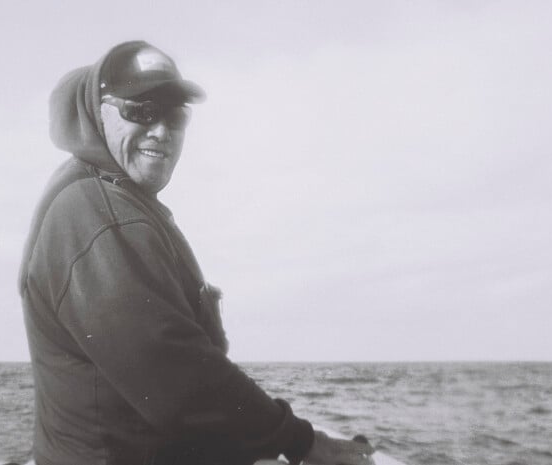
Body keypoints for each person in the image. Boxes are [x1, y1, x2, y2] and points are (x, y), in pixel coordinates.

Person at [19, 41, 374, 465]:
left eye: (174, 115)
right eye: (141, 110)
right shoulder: (97, 215)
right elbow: (176, 376)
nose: (160, 130)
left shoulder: (110, 197)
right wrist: (301, 442)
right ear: (99, 113)